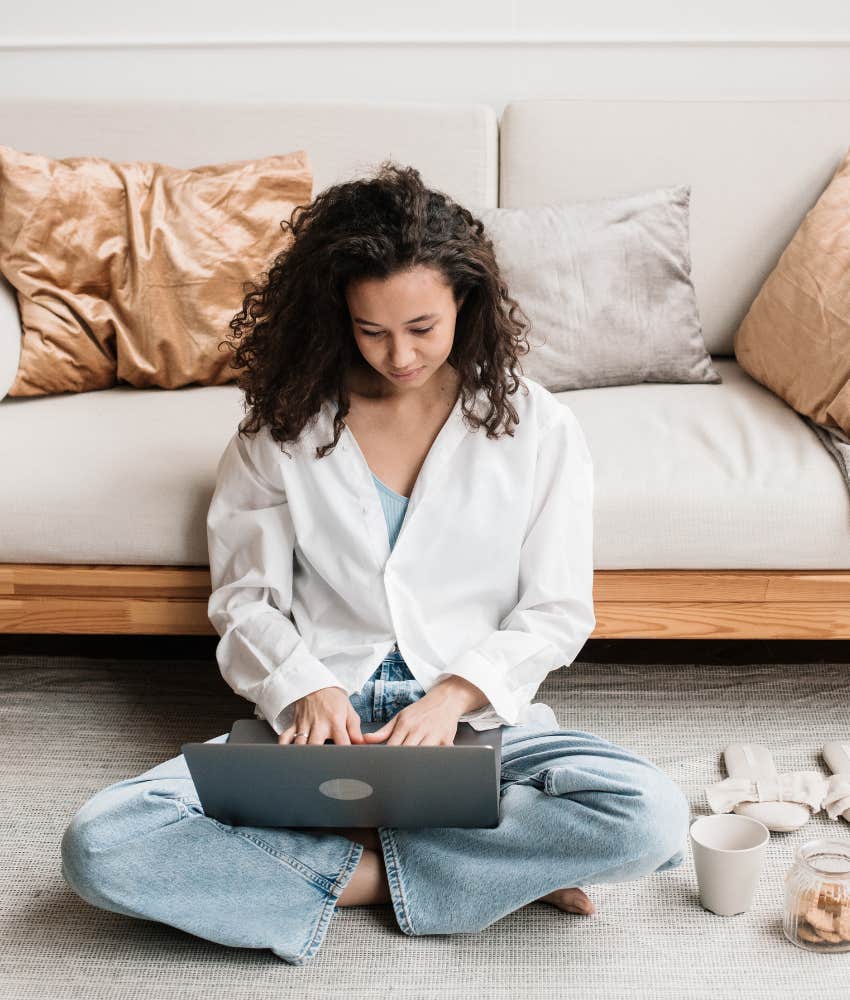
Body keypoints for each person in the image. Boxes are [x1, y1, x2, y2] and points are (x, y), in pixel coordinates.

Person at [60, 161, 690, 966]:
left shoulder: (540, 429)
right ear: (338, 316)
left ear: (465, 300)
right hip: (323, 724)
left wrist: (454, 698)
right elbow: (245, 600)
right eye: (373, 330)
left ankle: (343, 866)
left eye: (423, 327)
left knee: (651, 816)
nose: (400, 356)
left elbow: (557, 609)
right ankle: (472, 875)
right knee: (101, 845)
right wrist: (305, 687)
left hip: (476, 725)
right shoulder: (282, 427)